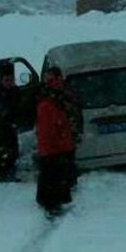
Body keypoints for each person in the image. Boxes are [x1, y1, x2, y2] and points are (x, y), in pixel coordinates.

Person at [35, 66, 78, 216]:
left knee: (51, 174)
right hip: (56, 144)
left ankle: (50, 201)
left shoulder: (50, 96)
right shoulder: (54, 98)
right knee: (54, 175)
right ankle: (52, 204)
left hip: (54, 144)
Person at [0, 65, 19, 182]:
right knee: (2, 152)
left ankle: (11, 172)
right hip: (0, 128)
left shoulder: (15, 91)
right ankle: (2, 176)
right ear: (1, 80)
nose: (9, 83)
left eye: (11, 80)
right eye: (7, 80)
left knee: (13, 151)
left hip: (11, 128)